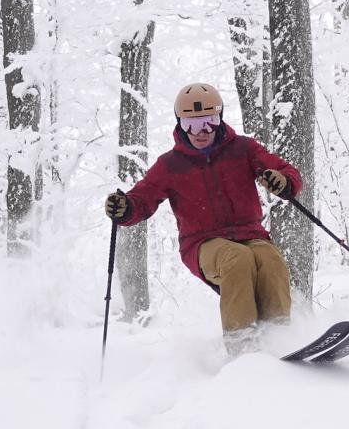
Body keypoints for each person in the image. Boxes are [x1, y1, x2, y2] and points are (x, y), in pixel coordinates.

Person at [104, 82, 302, 354]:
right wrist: (124, 207)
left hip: (250, 235)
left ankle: (278, 338)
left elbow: (283, 170)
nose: (201, 132)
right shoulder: (170, 165)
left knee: (270, 259)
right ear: (180, 124)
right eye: (191, 124)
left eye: (208, 122)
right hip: (202, 244)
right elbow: (142, 199)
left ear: (220, 119)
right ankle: (242, 346)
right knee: (237, 259)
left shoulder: (243, 149)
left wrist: (283, 181)